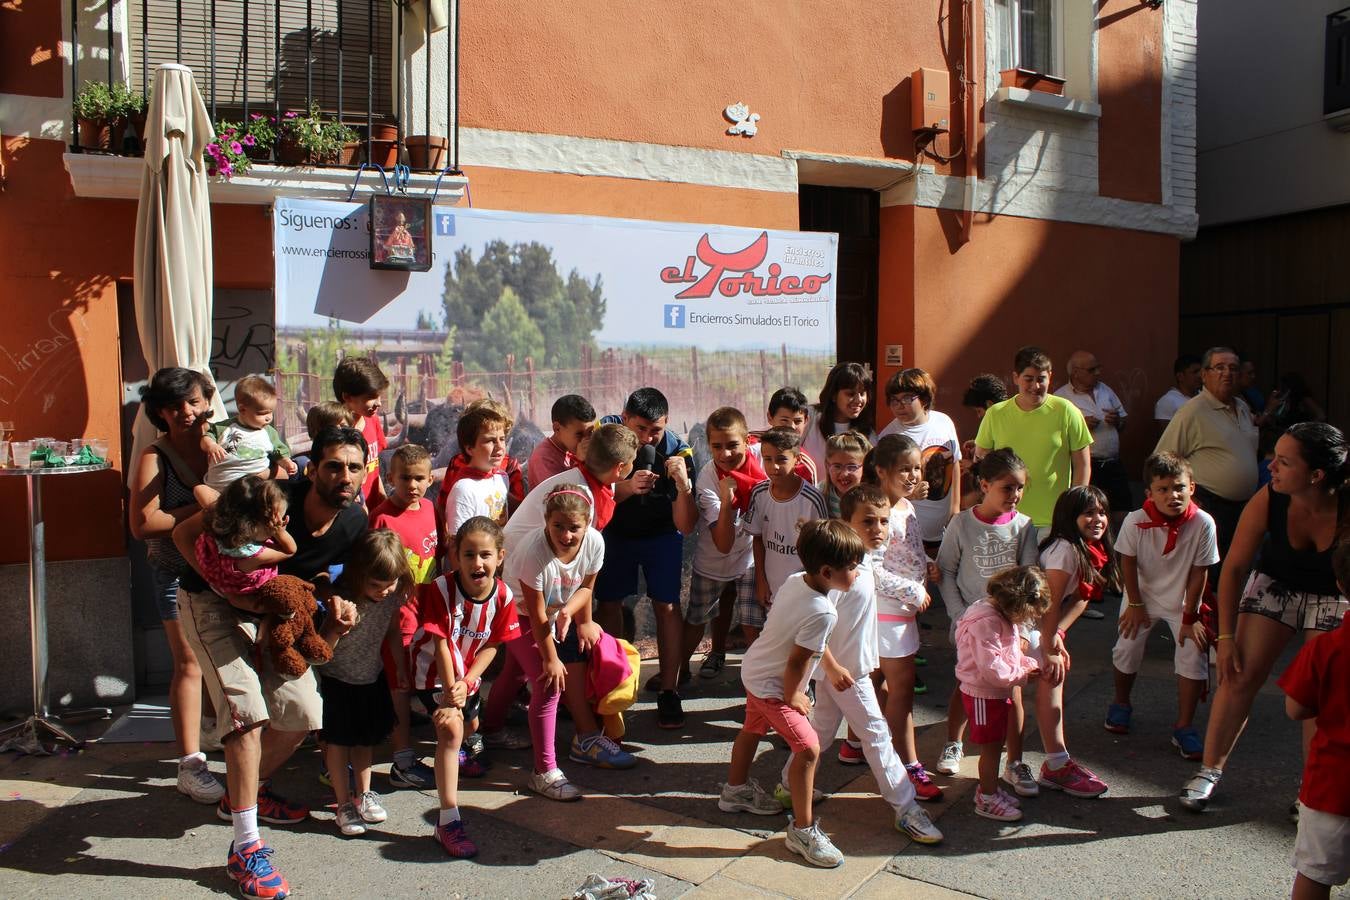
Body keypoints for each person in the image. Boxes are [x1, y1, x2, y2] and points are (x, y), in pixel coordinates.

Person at [173, 424, 369, 900]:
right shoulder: (265, 495)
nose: (345, 476)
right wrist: (221, 582)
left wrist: (339, 603)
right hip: (211, 605)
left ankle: (245, 795)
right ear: (311, 468)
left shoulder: (353, 521)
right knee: (247, 716)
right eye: (334, 466)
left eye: (354, 468)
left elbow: (328, 578)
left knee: (304, 712)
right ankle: (246, 848)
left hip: (272, 615)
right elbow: (183, 533)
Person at [1180, 422, 1349, 812]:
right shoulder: (1270, 497)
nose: (1270, 466)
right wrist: (1225, 639)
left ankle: (1312, 790)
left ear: (1316, 475)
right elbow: (1234, 568)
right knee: (1239, 672)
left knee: (1322, 690)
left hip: (1335, 593)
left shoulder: (1346, 505)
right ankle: (1208, 772)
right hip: (1277, 583)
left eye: (1284, 461)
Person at [779, 483, 943, 844]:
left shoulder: (865, 561)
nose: (878, 529)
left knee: (820, 732)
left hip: (847, 670)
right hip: (845, 674)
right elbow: (816, 625)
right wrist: (835, 667)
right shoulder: (838, 572)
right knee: (877, 736)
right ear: (845, 523)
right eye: (868, 522)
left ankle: (786, 786)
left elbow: (880, 580)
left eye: (883, 521)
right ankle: (906, 808)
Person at [718, 520, 864, 869]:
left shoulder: (798, 581)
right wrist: (793, 695)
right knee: (809, 748)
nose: (857, 573)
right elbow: (799, 659)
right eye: (852, 567)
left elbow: (806, 642)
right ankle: (802, 829)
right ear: (828, 571)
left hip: (755, 671)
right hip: (773, 686)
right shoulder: (824, 611)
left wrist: (829, 667)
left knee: (751, 729)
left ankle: (735, 791)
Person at [502, 486, 636, 801]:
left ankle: (492, 728)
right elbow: (534, 614)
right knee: (547, 681)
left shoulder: (594, 542)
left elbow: (586, 587)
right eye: (558, 526)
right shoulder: (533, 551)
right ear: (546, 522)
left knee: (515, 670)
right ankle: (544, 772)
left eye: (574, 527)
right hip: (516, 612)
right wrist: (550, 658)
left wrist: (577, 617)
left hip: (556, 609)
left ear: (587, 524)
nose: (566, 535)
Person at [127, 366, 223, 805]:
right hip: (176, 571)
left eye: (194, 401)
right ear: (160, 412)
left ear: (207, 402)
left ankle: (212, 733)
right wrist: (203, 510)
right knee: (188, 664)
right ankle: (189, 764)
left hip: (225, 569)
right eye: (174, 405)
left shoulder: (223, 442)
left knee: (218, 660)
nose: (186, 411)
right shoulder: (155, 455)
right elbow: (144, 524)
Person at [411, 516, 521, 858]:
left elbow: (493, 644)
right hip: (434, 676)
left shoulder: (503, 595)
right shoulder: (441, 590)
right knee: (450, 729)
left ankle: (461, 751)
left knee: (471, 726)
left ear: (500, 557)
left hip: (466, 678)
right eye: (469, 554)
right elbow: (441, 644)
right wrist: (450, 694)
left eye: (485, 554)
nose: (478, 562)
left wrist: (470, 681)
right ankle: (448, 822)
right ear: (456, 556)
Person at [933, 449, 1039, 782]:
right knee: (966, 683)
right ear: (984, 485)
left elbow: (1030, 581)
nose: (1015, 495)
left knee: (1014, 689)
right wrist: (960, 616)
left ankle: (1015, 761)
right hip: (971, 624)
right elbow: (946, 571)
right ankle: (953, 742)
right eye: (1007, 488)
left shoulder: (1024, 526)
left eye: (1020, 488)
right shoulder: (961, 523)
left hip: (1009, 626)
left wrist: (1023, 630)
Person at [1105, 452, 1219, 761]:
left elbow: (1200, 571)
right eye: (1163, 489)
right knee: (1127, 646)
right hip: (1141, 594)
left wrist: (1191, 616)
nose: (1173, 495)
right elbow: (1127, 561)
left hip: (1183, 599)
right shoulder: (1135, 520)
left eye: (1179, 487)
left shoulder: (1202, 522)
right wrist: (1136, 603)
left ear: (1191, 488)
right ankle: (1121, 703)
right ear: (1150, 493)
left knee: (1193, 652)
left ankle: (1184, 727)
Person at [596, 389, 697, 726]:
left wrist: (682, 486)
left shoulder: (679, 451)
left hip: (661, 536)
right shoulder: (605, 437)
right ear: (624, 418)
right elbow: (594, 496)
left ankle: (670, 691)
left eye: (656, 431)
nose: (648, 438)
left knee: (667, 605)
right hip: (615, 533)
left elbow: (685, 523)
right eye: (641, 429)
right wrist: (626, 487)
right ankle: (614, 683)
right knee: (609, 603)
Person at [315, 530, 414, 837]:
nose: (384, 591)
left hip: (370, 676)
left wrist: (400, 665)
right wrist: (338, 628)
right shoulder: (343, 601)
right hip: (337, 679)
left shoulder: (391, 598)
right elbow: (322, 646)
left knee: (365, 740)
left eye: (391, 584)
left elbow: (393, 632)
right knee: (338, 743)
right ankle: (343, 803)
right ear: (360, 574)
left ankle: (365, 793)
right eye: (376, 585)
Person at [866, 434, 941, 799]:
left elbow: (908, 551)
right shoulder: (878, 514)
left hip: (901, 612)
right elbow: (873, 568)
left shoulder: (906, 508)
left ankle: (862, 748)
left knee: (880, 686)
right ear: (882, 471)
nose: (913, 476)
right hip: (889, 613)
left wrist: (927, 565)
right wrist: (913, 589)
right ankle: (908, 765)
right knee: (901, 690)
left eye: (917, 468)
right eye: (904, 469)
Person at [1032, 486, 1117, 798]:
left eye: (1102, 512)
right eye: (1089, 513)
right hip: (1022, 624)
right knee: (1047, 675)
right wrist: (1048, 646)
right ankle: (1055, 765)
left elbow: (1082, 598)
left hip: (1038, 625)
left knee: (1044, 679)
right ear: (1071, 517)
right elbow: (1050, 604)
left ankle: (1056, 761)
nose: (1097, 519)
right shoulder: (1064, 550)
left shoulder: (1086, 549)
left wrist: (1058, 635)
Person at [1277, 540, 1350, 900]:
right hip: (1330, 784)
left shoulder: (1326, 646)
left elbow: (1296, 709)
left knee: (1314, 875)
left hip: (1331, 784)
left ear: (1339, 584)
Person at [368, 443, 440, 790]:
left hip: (427, 614)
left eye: (419, 478)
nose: (412, 485)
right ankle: (402, 761)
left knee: (418, 681)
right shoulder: (382, 518)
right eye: (405, 478)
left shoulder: (429, 508)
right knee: (399, 685)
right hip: (398, 620)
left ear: (429, 479)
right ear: (390, 478)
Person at [954, 566, 1049, 822]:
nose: (1024, 622)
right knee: (991, 748)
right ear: (1014, 605)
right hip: (984, 693)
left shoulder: (997, 615)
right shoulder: (988, 622)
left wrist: (1027, 666)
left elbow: (1009, 654)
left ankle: (991, 790)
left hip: (993, 691)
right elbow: (991, 668)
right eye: (1024, 615)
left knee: (994, 745)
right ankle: (986, 798)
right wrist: (1022, 675)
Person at [1155, 347, 1259, 558]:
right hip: (1210, 505)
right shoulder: (1192, 411)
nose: (1227, 373)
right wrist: (1183, 498)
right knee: (1208, 569)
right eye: (1219, 367)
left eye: (1233, 368)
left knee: (1236, 564)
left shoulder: (1242, 407)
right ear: (1204, 375)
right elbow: (1163, 459)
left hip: (1244, 506)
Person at [683, 407, 761, 685]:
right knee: (697, 618)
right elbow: (724, 543)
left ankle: (758, 681)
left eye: (732, 445)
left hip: (752, 558)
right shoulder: (707, 478)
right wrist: (728, 499)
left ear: (748, 440)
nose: (725, 454)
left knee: (753, 622)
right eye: (717, 446)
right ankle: (679, 675)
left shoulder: (764, 458)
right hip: (714, 558)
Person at [974, 346, 1092, 530]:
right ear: (1016, 378)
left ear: (1050, 377)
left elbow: (1082, 465)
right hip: (1005, 520)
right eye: (1028, 379)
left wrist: (1074, 507)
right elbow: (982, 460)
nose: (1035, 386)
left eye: (1041, 379)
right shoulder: (995, 414)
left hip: (1054, 521)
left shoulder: (1067, 411)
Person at [746, 428, 829, 644]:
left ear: (797, 459)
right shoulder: (759, 493)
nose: (773, 466)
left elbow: (821, 549)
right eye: (767, 459)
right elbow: (758, 540)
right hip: (773, 589)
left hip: (805, 589)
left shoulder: (812, 499)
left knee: (801, 643)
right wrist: (761, 581)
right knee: (777, 641)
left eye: (781, 459)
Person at [880, 368, 962, 552]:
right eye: (894, 400)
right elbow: (879, 487)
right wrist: (908, 494)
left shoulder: (944, 422)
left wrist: (955, 510)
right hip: (907, 535)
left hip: (944, 531)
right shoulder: (888, 437)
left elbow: (955, 464)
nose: (899, 405)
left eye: (907, 398)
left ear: (924, 399)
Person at [1054, 351, 1130, 531]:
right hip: (1088, 465)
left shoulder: (1105, 389)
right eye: (1091, 369)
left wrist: (1118, 420)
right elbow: (1055, 437)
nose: (1097, 373)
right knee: (1091, 512)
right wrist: (1081, 426)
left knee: (1123, 511)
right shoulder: (1061, 398)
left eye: (1098, 368)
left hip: (1113, 463)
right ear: (1075, 373)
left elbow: (1124, 421)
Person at [193, 475, 297, 598]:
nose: (279, 524)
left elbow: (198, 489)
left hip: (213, 569)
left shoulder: (220, 522)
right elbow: (290, 551)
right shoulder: (253, 555)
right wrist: (280, 533)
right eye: (274, 523)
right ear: (250, 526)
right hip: (241, 592)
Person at [198, 374, 297, 497]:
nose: (268, 418)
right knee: (199, 490)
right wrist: (211, 445)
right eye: (262, 413)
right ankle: (216, 506)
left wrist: (287, 463)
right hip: (218, 489)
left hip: (252, 490)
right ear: (242, 409)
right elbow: (205, 438)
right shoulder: (224, 427)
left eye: (270, 412)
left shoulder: (268, 432)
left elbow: (279, 452)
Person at [438, 403, 512, 535]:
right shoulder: (463, 490)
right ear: (469, 449)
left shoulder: (502, 478)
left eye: (502, 439)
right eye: (490, 441)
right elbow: (457, 543)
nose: (500, 446)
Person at [334, 357, 390, 509]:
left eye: (379, 396)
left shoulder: (373, 421)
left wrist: (384, 501)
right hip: (350, 512)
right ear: (347, 397)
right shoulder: (334, 434)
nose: (378, 403)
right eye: (371, 397)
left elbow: (374, 470)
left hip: (373, 510)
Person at [803, 362, 875, 470]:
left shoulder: (869, 435)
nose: (858, 400)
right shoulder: (810, 417)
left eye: (862, 393)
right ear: (833, 395)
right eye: (850, 394)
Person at [960, 374, 1009, 510]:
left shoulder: (997, 419)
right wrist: (978, 443)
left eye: (979, 411)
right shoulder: (1009, 417)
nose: (979, 416)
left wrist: (971, 466)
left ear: (989, 404)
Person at [526, 393, 596, 488]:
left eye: (590, 432)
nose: (586, 439)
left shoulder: (572, 450)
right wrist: (580, 462)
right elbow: (563, 497)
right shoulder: (543, 458)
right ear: (557, 428)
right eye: (579, 434)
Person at [766, 386, 818, 484]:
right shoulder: (749, 445)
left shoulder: (805, 465)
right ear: (770, 417)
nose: (791, 427)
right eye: (784, 420)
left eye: (797, 421)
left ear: (806, 421)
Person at [291, 401, 354, 480]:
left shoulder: (354, 459)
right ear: (315, 432)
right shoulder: (302, 463)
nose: (339, 431)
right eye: (331, 428)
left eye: (344, 427)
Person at [820, 431, 870, 518]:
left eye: (852, 467)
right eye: (837, 466)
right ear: (827, 466)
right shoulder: (821, 493)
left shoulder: (872, 497)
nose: (844, 474)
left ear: (865, 467)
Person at [1154, 353, 1202, 426]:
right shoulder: (1168, 401)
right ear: (1180, 376)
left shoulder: (1205, 397)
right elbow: (1168, 435)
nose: (1199, 375)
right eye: (1195, 372)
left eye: (1201, 372)